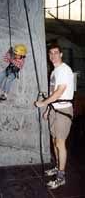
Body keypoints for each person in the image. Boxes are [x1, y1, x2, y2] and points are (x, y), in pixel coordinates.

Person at [34, 44, 74, 189]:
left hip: (64, 111)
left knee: (60, 143)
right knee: (54, 141)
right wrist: (48, 110)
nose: (53, 55)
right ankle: (58, 167)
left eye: (56, 53)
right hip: (55, 110)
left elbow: (60, 91)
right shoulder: (54, 71)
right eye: (50, 53)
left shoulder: (64, 70)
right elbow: (53, 95)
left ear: (61, 54)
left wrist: (43, 103)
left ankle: (61, 176)